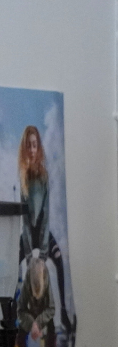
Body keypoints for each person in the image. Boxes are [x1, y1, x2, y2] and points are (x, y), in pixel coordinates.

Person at [17, 125, 72, 335]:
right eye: (28, 146)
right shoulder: (23, 177)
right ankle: (13, 316)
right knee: (13, 265)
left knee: (59, 262)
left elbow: (46, 214)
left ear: (38, 147)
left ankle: (65, 314)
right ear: (24, 149)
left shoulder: (44, 176)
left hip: (44, 233)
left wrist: (45, 248)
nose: (32, 150)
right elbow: (24, 217)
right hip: (28, 236)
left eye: (35, 145)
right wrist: (30, 251)